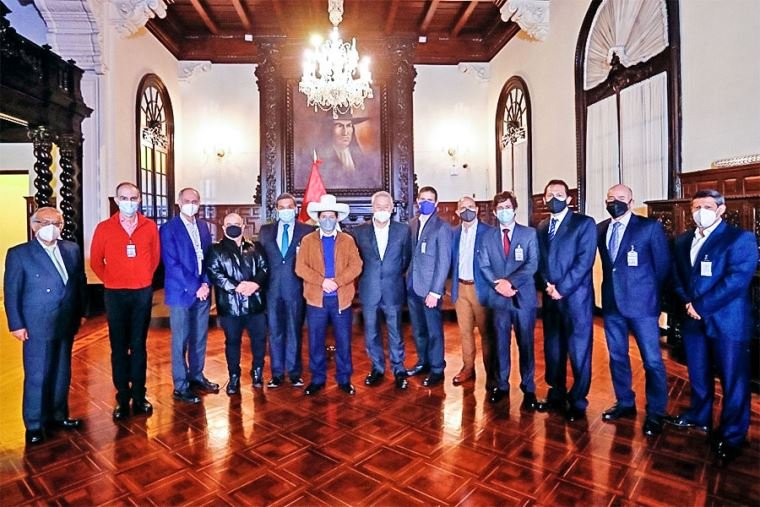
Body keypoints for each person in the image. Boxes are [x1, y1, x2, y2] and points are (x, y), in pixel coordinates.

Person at [667, 189, 758, 462]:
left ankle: (733, 435)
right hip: (693, 320)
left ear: (721, 209)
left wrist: (701, 306)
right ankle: (700, 415)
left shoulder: (740, 238)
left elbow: (737, 280)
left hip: (727, 321)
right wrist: (687, 302)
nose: (701, 212)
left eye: (707, 206)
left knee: (733, 379)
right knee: (698, 373)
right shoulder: (683, 240)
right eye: (696, 207)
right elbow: (677, 275)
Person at [4, 207, 87, 445]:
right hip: (36, 323)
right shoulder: (19, 254)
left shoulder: (71, 249)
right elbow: (11, 291)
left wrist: (82, 312)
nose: (52, 227)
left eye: (57, 223)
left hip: (66, 320)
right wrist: (16, 324)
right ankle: (34, 424)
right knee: (37, 374)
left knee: (61, 371)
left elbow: (79, 283)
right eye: (46, 222)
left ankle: (58, 416)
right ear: (34, 226)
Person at [597, 184, 671, 436]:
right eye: (610, 198)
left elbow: (662, 267)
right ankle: (625, 402)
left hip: (643, 306)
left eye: (620, 197)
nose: (614, 201)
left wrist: (651, 297)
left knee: (652, 361)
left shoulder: (649, 227)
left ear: (631, 201)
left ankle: (656, 412)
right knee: (617, 356)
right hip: (612, 305)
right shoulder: (601, 229)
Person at [90, 182, 160, 421]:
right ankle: (122, 396)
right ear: (117, 200)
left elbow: (155, 258)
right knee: (118, 346)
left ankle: (139, 394)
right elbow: (96, 261)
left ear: (139, 200)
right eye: (124, 198)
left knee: (139, 345)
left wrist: (143, 278)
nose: (129, 202)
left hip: (141, 293)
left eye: (133, 198)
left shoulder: (149, 226)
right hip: (115, 294)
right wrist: (111, 280)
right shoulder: (104, 228)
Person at [536, 179, 596, 421]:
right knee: (553, 348)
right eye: (550, 194)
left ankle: (578, 399)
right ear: (544, 199)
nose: (554, 198)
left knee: (579, 350)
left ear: (569, 199)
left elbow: (584, 261)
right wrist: (547, 286)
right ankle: (556, 392)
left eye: (559, 194)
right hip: (550, 298)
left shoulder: (584, 223)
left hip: (576, 298)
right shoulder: (542, 226)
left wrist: (562, 288)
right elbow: (539, 261)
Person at [295, 194, 363, 395]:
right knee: (315, 341)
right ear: (318, 218)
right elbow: (300, 267)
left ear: (337, 218)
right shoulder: (307, 241)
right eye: (323, 216)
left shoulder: (347, 240)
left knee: (344, 341)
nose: (327, 220)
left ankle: (344, 379)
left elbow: (356, 265)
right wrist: (322, 281)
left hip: (342, 300)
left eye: (331, 216)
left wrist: (337, 282)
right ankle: (317, 379)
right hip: (316, 300)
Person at [478, 192, 539, 409]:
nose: (504, 211)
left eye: (507, 207)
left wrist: (510, 283)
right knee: (500, 344)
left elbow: (532, 264)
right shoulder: (487, 237)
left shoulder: (529, 234)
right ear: (495, 213)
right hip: (498, 298)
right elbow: (484, 265)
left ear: (514, 209)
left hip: (523, 297)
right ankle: (502, 385)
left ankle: (529, 388)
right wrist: (498, 285)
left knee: (526, 344)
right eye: (500, 208)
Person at [160, 187, 217, 405]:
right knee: (180, 340)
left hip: (203, 291)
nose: (191, 204)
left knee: (199, 337)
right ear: (179, 202)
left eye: (195, 201)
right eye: (187, 200)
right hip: (181, 293)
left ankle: (196, 375)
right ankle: (181, 386)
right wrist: (196, 287)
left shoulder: (202, 226)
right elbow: (172, 264)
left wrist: (206, 283)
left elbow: (209, 257)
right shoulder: (168, 229)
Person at [353, 191, 412, 389]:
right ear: (372, 208)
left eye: (386, 207)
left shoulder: (403, 230)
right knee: (371, 332)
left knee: (395, 331)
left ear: (392, 208)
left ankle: (399, 369)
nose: (382, 210)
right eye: (378, 207)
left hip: (393, 289)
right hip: (369, 289)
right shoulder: (359, 232)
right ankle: (377, 368)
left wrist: (392, 273)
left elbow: (406, 258)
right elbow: (357, 260)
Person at [207, 213, 270, 395]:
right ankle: (234, 375)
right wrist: (236, 287)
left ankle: (257, 371)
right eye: (229, 224)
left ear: (243, 227)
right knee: (232, 342)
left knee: (259, 340)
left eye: (237, 223)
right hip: (230, 306)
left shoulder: (255, 247)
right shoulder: (216, 249)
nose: (233, 226)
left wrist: (255, 284)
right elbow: (214, 273)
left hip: (255, 303)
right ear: (223, 227)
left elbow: (264, 268)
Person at [258, 193, 313, 388]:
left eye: (289, 206)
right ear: (276, 210)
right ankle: (277, 374)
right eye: (282, 207)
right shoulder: (265, 231)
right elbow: (260, 261)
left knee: (294, 331)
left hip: (295, 288)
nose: (286, 210)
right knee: (274, 332)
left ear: (295, 209)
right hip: (272, 289)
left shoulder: (307, 231)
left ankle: (295, 373)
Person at [405, 186, 452, 387]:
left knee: (434, 332)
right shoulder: (411, 224)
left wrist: (435, 291)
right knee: (418, 330)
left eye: (430, 200)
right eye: (422, 199)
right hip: (412, 286)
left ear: (436, 204)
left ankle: (437, 369)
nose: (426, 203)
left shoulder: (442, 227)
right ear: (417, 201)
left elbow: (444, 262)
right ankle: (423, 362)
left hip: (430, 290)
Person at [450, 195, 496, 389]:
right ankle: (468, 367)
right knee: (465, 332)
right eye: (462, 207)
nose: (467, 210)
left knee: (487, 333)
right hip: (460, 287)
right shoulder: (454, 233)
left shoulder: (489, 232)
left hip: (481, 288)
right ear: (457, 212)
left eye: (470, 207)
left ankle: (491, 373)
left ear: (477, 210)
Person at [316, 112, 372, 189]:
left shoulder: (360, 158)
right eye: (339, 126)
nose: (345, 132)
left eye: (348, 126)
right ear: (329, 129)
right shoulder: (320, 158)